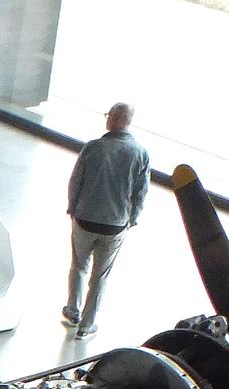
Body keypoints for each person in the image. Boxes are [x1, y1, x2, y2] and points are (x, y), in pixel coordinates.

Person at [63, 102, 151, 340]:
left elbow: (75, 181)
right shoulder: (141, 154)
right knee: (100, 276)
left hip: (84, 219)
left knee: (78, 265)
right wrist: (131, 218)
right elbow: (140, 193)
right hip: (115, 224)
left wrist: (73, 207)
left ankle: (73, 309)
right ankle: (87, 325)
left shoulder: (93, 147)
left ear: (112, 118)